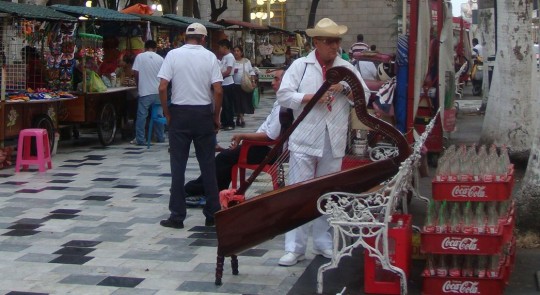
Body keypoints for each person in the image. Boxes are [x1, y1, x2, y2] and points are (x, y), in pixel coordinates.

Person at [276, 18, 370, 266]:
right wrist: (310, 97)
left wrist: (345, 88)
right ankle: (294, 247)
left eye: (337, 41)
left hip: (334, 138)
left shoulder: (346, 67)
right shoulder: (301, 66)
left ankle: (323, 242)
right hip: (304, 138)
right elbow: (283, 95)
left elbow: (365, 96)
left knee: (328, 193)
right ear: (316, 42)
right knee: (299, 193)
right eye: (329, 41)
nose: (334, 46)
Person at [185, 68, 286, 205]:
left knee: (223, 158)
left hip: (266, 150)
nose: (273, 82)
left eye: (277, 79)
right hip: (260, 146)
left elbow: (270, 136)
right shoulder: (280, 102)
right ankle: (207, 190)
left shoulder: (283, 105)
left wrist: (242, 135)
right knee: (227, 157)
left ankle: (196, 190)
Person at [157, 23, 223, 229]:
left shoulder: (173, 55)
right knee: (208, 166)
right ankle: (212, 213)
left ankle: (177, 216)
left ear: (185, 37)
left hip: (179, 113)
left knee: (178, 167)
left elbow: (162, 86)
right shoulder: (210, 57)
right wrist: (216, 116)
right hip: (203, 113)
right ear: (204, 39)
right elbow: (218, 91)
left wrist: (167, 112)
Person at [130, 40, 165, 146]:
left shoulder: (140, 57)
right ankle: (160, 137)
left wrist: (138, 85)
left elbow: (136, 72)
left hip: (145, 92)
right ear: (155, 48)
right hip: (158, 91)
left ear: (145, 48)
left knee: (142, 116)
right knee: (159, 115)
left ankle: (140, 139)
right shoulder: (161, 59)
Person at [232, 45, 256, 127]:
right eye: (235, 51)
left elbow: (251, 71)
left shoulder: (246, 61)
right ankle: (241, 119)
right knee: (237, 102)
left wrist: (253, 81)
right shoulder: (232, 61)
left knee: (243, 102)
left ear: (241, 52)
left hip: (245, 85)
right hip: (235, 85)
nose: (236, 52)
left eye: (238, 51)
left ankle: (240, 117)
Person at [218, 39, 236, 131]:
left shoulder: (229, 57)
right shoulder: (225, 57)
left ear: (224, 47)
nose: (219, 49)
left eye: (220, 47)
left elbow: (228, 71)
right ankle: (224, 122)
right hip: (224, 83)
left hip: (228, 83)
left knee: (228, 104)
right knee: (224, 104)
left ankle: (230, 123)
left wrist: (219, 76)